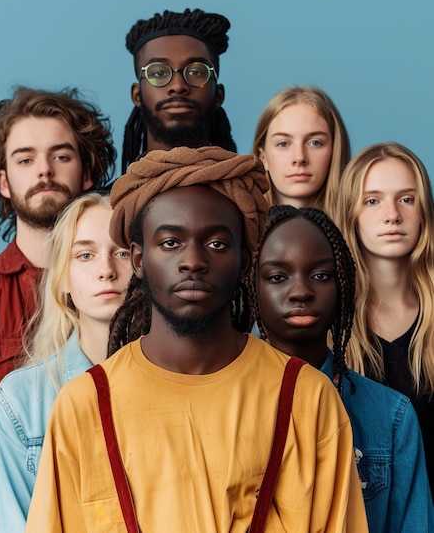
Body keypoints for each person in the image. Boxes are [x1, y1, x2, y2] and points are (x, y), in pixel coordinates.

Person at [26, 146, 368, 532]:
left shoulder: (307, 397)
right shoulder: (83, 406)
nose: (193, 261)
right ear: (138, 259)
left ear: (245, 258)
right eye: (170, 242)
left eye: (217, 244)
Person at [0, 87, 116, 533]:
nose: (44, 171)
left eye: (61, 156)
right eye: (25, 158)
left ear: (88, 171)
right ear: (3, 181)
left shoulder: (129, 291)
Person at [255, 204, 434, 532]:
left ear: (344, 286)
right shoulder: (224, 402)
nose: (301, 292)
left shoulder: (392, 417)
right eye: (278, 277)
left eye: (321, 275)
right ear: (253, 287)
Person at [0, 192, 132, 533]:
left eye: (121, 252)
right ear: (63, 278)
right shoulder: (19, 402)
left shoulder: (178, 381)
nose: (106, 270)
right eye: (85, 255)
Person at [335, 141, 434, 497]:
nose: (392, 215)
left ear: (424, 210)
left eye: (406, 199)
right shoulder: (330, 323)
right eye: (372, 201)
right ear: (351, 214)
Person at [121, 7, 237, 172]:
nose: (178, 86)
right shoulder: (112, 197)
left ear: (218, 95)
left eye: (196, 72)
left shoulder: (246, 191)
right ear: (137, 95)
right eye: (159, 73)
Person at [252, 85, 350, 215]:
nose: (299, 157)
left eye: (315, 143)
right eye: (283, 144)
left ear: (335, 151)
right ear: (262, 157)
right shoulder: (236, 229)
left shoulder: (365, 230)